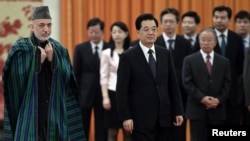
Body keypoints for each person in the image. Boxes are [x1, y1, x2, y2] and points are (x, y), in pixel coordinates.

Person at [2, 6, 86, 140]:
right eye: (41, 25)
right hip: (30, 115)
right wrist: (36, 61)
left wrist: (53, 61)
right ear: (31, 26)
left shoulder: (59, 49)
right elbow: (13, 83)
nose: (46, 29)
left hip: (54, 115)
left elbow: (68, 81)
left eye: (49, 25)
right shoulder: (21, 47)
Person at [116, 13, 184, 141]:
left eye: (154, 29)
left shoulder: (164, 53)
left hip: (163, 116)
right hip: (140, 118)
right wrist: (126, 116)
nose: (150, 32)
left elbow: (172, 84)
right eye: (146, 29)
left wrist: (178, 111)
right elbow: (121, 90)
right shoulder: (128, 57)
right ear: (138, 32)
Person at [196, 5, 244, 125]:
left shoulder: (237, 39)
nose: (218, 20)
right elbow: (196, 65)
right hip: (209, 97)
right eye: (216, 17)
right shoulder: (203, 37)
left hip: (232, 96)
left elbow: (241, 68)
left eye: (222, 18)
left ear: (229, 20)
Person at [182, 28, 231, 141]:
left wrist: (218, 100)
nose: (206, 43)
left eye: (209, 40)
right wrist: (202, 98)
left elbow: (227, 83)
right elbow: (187, 82)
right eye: (203, 40)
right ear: (199, 41)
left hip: (217, 109)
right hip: (196, 108)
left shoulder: (224, 61)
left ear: (215, 42)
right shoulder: (189, 60)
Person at [155, 7, 191, 141]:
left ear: (177, 23)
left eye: (171, 21)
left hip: (181, 95)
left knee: (178, 132)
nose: (168, 24)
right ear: (161, 23)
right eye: (165, 21)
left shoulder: (186, 43)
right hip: (159, 94)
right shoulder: (154, 43)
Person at [73, 17, 109, 141]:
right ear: (87, 32)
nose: (93, 35)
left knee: (102, 126)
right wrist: (75, 94)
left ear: (103, 32)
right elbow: (76, 73)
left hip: (104, 94)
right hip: (85, 93)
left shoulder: (110, 48)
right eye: (90, 32)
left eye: (96, 32)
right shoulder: (80, 49)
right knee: (83, 125)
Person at [100, 21, 131, 141]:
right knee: (112, 131)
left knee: (128, 130)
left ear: (126, 34)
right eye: (114, 32)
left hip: (128, 94)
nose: (117, 35)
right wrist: (105, 97)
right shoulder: (106, 53)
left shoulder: (132, 51)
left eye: (120, 32)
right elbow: (103, 76)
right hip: (112, 93)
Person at [235, 10, 250, 125]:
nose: (242, 25)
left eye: (245, 22)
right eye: (239, 22)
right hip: (234, 90)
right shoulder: (230, 41)